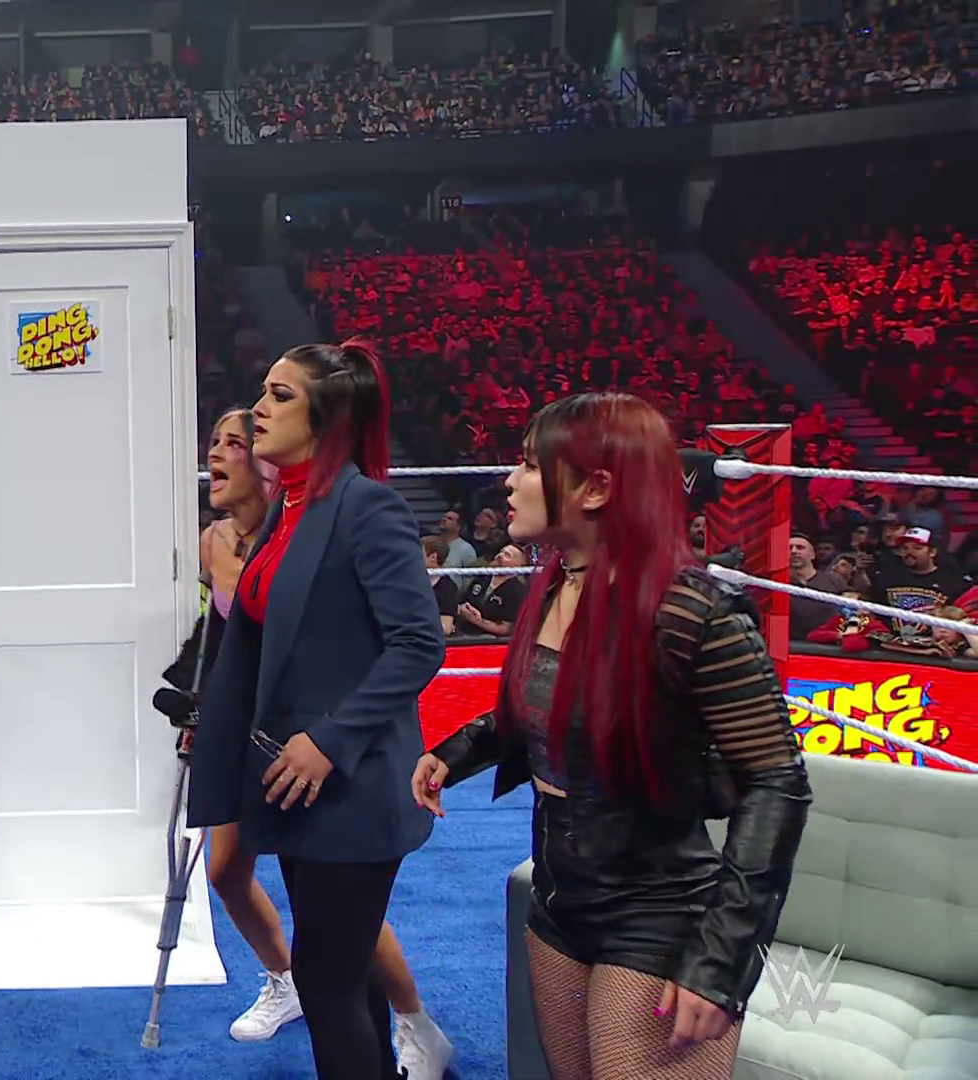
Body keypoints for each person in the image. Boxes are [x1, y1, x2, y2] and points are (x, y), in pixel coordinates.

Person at [412, 392, 812, 1079]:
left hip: (659, 908)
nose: (509, 481)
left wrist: (721, 960)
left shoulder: (694, 610)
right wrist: (456, 752)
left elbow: (777, 782)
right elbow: (550, 706)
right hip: (559, 896)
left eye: (530, 465)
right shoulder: (555, 582)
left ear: (596, 489)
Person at [187, 341, 446, 1079]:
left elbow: (418, 643)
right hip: (300, 788)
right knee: (344, 980)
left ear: (325, 416)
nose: (258, 409)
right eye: (262, 392)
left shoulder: (366, 506)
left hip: (352, 786)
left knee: (327, 987)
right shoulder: (292, 507)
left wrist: (330, 740)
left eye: (280, 395)